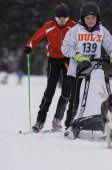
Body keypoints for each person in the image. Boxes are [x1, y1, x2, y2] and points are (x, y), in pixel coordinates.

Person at [61, 2, 112, 132]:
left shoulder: (102, 31)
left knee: (96, 98)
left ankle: (99, 121)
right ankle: (69, 124)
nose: (90, 20)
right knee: (75, 99)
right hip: (77, 71)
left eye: (93, 17)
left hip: (95, 72)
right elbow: (65, 48)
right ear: (83, 18)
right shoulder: (75, 30)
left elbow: (111, 46)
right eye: (87, 18)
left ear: (97, 18)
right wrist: (78, 57)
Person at [23, 4, 76, 132]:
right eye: (59, 18)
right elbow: (35, 38)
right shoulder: (49, 26)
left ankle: (57, 120)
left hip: (69, 60)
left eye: (64, 18)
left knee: (66, 92)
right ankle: (40, 121)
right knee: (50, 90)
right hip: (54, 60)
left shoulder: (73, 26)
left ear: (68, 18)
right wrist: (29, 46)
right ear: (55, 18)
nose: (62, 21)